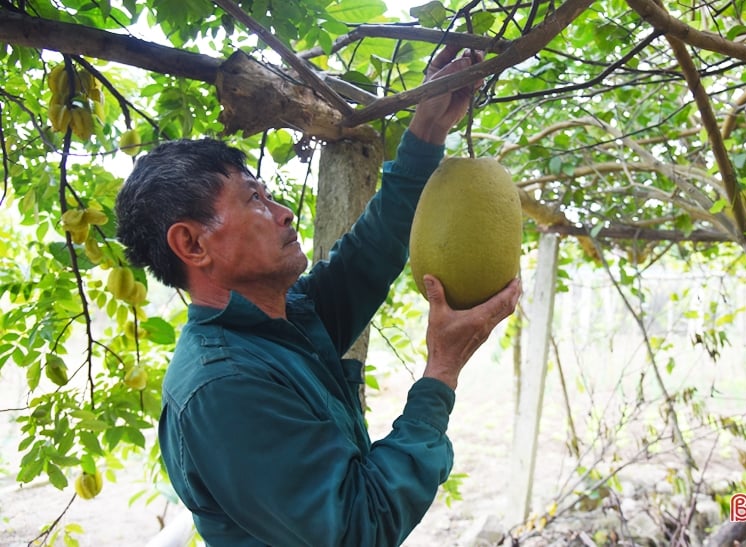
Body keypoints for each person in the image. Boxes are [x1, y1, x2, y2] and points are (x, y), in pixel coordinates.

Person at [115, 45, 521, 547]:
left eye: (268, 194)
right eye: (254, 201)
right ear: (192, 244)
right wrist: (441, 372)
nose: (283, 212)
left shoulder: (283, 324)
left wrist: (428, 128)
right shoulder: (224, 387)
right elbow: (359, 528)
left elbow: (371, 251)